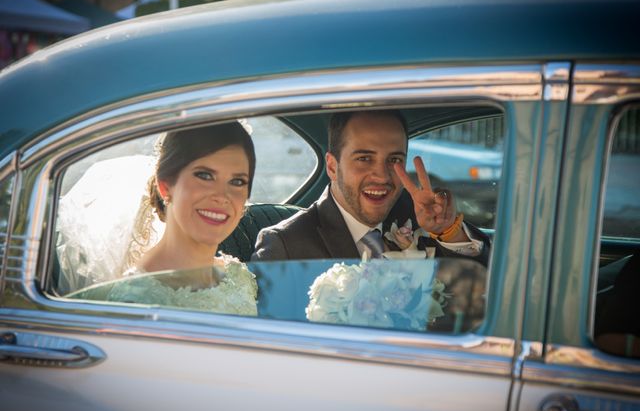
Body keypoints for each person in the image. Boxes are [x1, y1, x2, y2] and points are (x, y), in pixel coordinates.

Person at [69, 122, 259, 316]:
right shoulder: (136, 299)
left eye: (237, 182)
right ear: (166, 186)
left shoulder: (238, 276)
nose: (222, 196)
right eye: (205, 175)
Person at [252, 110, 490, 264]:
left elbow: (487, 290)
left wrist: (449, 231)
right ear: (333, 167)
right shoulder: (285, 245)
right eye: (364, 158)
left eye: (395, 159)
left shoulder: (423, 219)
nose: (382, 175)